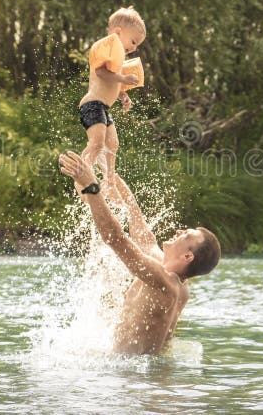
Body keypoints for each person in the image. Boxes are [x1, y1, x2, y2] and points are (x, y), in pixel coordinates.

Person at [58, 151, 221, 355]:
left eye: (186, 235)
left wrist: (91, 187)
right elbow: (135, 216)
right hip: (140, 373)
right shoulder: (174, 279)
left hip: (136, 378)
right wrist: (109, 173)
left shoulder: (165, 283)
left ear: (187, 257)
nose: (179, 231)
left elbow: (115, 238)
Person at [78, 7, 146, 198]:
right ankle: (82, 176)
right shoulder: (107, 51)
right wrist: (123, 80)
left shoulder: (116, 61)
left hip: (104, 107)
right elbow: (101, 74)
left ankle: (109, 183)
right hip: (92, 104)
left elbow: (110, 85)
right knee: (97, 143)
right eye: (133, 41)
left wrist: (123, 95)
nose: (134, 48)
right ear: (118, 32)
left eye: (137, 45)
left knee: (113, 145)